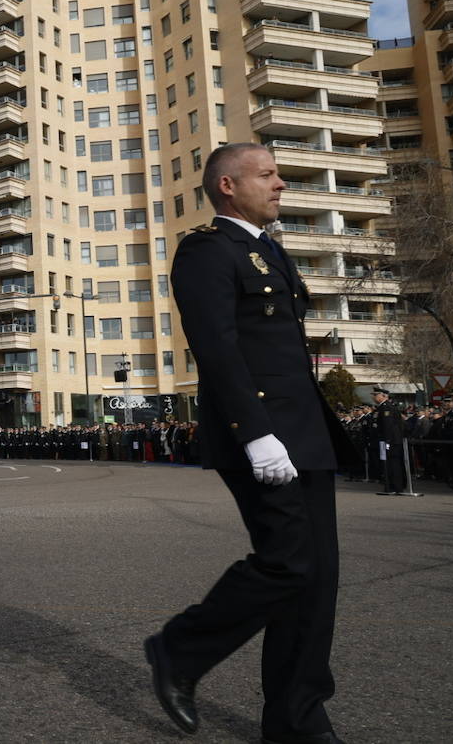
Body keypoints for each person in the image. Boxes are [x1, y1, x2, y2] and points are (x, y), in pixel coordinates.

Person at [144, 143, 355, 744]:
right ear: (228, 186)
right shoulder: (208, 250)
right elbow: (217, 348)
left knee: (315, 580)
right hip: (258, 433)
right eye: (268, 175)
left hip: (305, 432)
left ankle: (298, 721)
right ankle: (179, 650)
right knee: (288, 558)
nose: (281, 184)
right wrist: (256, 435)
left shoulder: (272, 253)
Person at [370, 387, 407, 495]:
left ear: (383, 396)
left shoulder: (387, 408)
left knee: (393, 464)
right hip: (385, 440)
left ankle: (396, 486)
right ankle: (389, 485)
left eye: (376, 395)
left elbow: (388, 426)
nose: (374, 397)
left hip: (391, 440)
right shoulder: (381, 408)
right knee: (387, 464)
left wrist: (387, 441)